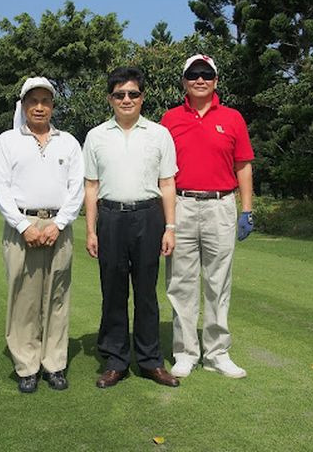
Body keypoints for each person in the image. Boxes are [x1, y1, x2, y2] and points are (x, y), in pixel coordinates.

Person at [82, 66, 180, 389]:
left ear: (142, 97)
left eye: (133, 94)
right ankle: (116, 361)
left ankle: (151, 361)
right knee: (113, 291)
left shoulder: (159, 134)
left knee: (146, 292)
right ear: (110, 98)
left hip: (149, 217)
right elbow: (91, 186)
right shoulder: (96, 136)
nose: (126, 99)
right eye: (119, 94)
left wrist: (170, 227)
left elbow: (167, 183)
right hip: (110, 218)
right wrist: (91, 230)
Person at [160, 54, 254, 379]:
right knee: (181, 282)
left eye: (206, 74)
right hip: (181, 204)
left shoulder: (232, 118)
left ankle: (217, 353)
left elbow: (243, 165)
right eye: (193, 74)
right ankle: (185, 352)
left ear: (215, 80)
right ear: (184, 81)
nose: (200, 79)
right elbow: (161, 171)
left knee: (218, 282)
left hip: (220, 205)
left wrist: (247, 209)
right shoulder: (170, 119)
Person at [0, 77, 85, 393]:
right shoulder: (7, 141)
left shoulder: (68, 142)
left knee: (57, 296)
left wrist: (59, 224)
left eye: (45, 101)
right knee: (24, 299)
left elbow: (76, 188)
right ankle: (27, 366)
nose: (39, 107)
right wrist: (23, 226)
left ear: (53, 105)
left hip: (59, 225)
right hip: (22, 224)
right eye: (33, 101)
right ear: (23, 105)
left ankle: (54, 364)